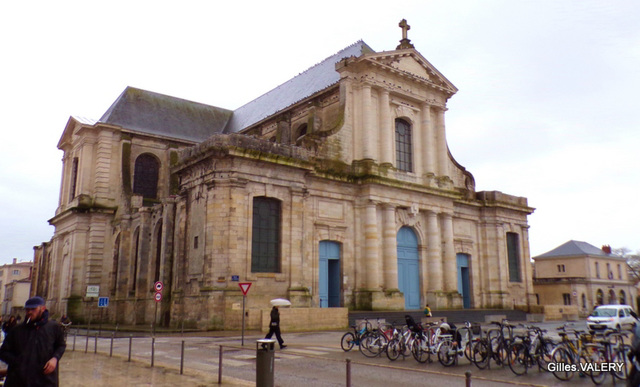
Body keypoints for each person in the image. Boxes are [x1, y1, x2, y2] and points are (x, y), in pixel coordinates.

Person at [0, 296, 66, 386]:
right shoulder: (17, 330)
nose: (29, 312)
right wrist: (18, 362)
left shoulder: (54, 327)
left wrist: (55, 358)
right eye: (27, 310)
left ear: (43, 308)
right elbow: (3, 352)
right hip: (19, 380)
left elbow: (61, 345)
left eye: (33, 309)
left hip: (45, 380)